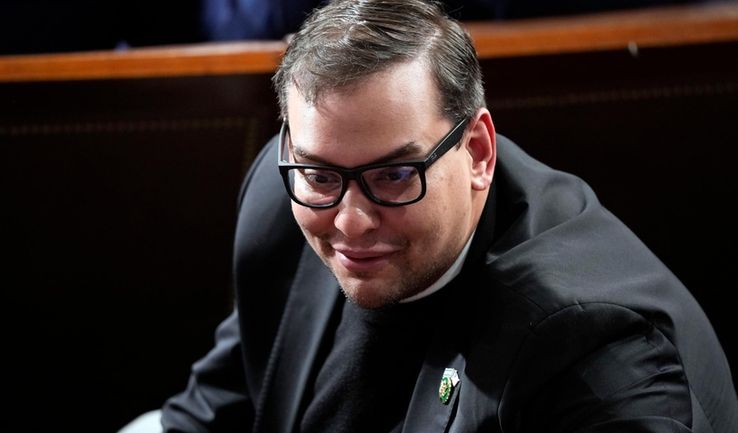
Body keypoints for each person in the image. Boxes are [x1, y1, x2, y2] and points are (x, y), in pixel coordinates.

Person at [161, 0, 738, 431]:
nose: (350, 221)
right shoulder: (281, 194)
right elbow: (221, 405)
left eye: (393, 175)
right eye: (320, 175)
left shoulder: (594, 354)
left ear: (478, 152)